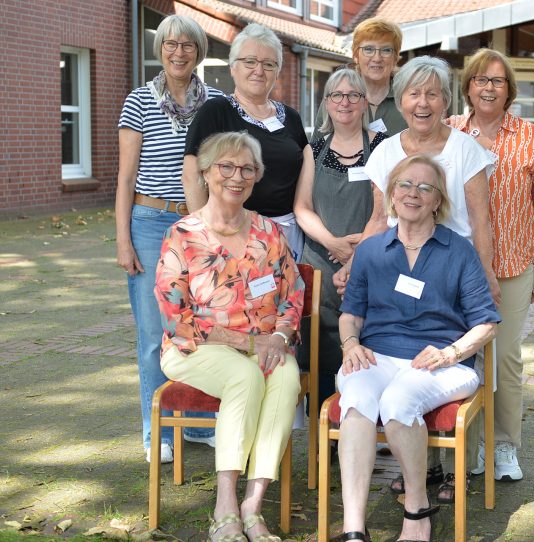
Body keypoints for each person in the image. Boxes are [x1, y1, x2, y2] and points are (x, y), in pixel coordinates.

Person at [332, 55, 498, 497]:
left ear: (446, 100)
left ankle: (446, 469)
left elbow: (481, 221)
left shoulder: (467, 150)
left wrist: (486, 274)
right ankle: (417, 473)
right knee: (401, 357)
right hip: (397, 262)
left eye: (432, 94)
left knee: (441, 358)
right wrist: (355, 264)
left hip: (451, 268)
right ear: (398, 99)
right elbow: (376, 219)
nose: (422, 103)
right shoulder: (386, 152)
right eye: (413, 93)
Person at [335, 155, 500, 542]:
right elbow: (350, 314)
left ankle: (417, 510)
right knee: (356, 397)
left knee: (397, 401)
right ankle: (353, 528)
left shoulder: (458, 250)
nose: (413, 194)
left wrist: (451, 354)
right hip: (377, 355)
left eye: (425, 187)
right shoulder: (373, 250)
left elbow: (487, 322)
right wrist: (350, 344)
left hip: (441, 362)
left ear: (438, 200)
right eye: (405, 185)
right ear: (392, 194)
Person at [155, 131, 304, 542]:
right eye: (226, 166)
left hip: (264, 344)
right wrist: (248, 344)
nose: (236, 176)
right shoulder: (182, 235)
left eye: (247, 168)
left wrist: (281, 335)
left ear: (257, 176)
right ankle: (224, 505)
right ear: (206, 172)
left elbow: (294, 292)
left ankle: (252, 507)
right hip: (194, 348)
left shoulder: (269, 232)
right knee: (246, 377)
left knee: (287, 376)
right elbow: (175, 316)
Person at [447, 48, 534, 484]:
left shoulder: (529, 136)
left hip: (513, 264)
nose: (488, 87)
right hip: (456, 269)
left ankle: (505, 446)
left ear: (509, 90)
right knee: (461, 360)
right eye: (480, 80)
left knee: (504, 359)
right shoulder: (450, 132)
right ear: (468, 87)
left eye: (497, 81)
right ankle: (467, 449)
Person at [115, 14, 221, 464]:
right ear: (160, 50)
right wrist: (123, 238)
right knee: (153, 334)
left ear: (198, 52)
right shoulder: (139, 100)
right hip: (150, 222)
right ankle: (155, 432)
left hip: (200, 226)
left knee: (199, 329)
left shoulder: (214, 101)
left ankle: (196, 425)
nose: (179, 53)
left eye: (188, 45)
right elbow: (124, 178)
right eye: (170, 45)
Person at [293, 69, 387, 405]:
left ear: (365, 103)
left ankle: (365, 427)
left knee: (369, 345)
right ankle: (323, 441)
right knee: (321, 351)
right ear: (327, 103)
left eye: (353, 95)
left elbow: (388, 208)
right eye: (337, 95)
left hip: (372, 261)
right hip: (320, 263)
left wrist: (359, 250)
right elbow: (302, 208)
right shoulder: (312, 149)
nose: (344, 102)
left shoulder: (383, 147)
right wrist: (334, 243)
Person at [183, 23, 312, 260]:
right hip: (232, 233)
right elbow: (192, 175)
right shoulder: (216, 111)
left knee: (285, 296)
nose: (259, 70)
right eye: (250, 61)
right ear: (233, 67)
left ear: (277, 70)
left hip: (288, 235)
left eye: (268, 64)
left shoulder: (291, 117)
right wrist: (207, 234)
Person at [312, 17, 406, 139]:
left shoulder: (408, 98)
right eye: (368, 49)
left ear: (395, 57)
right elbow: (317, 149)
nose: (377, 58)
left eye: (386, 50)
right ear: (356, 54)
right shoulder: (336, 97)